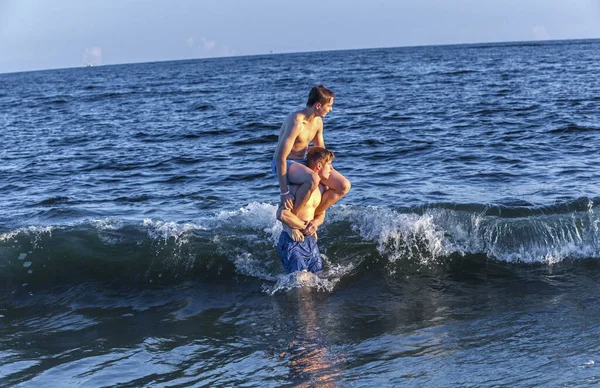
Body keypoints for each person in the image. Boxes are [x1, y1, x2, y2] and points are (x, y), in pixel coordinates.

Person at [271, 85, 351, 226]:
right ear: (319, 105)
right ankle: (292, 219)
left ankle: (313, 217)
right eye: (329, 105)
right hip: (287, 163)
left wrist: (327, 168)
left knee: (343, 185)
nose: (331, 109)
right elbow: (279, 157)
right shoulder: (296, 121)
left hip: (304, 162)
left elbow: (321, 151)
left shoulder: (318, 122)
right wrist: (284, 192)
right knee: (313, 178)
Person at [276, 147, 334, 274]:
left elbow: (321, 214)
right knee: (301, 284)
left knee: (318, 280)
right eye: (329, 165)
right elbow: (281, 214)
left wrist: (315, 224)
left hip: (310, 241)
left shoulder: (323, 189)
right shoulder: (298, 187)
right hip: (292, 240)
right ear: (319, 166)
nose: (332, 169)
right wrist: (300, 227)